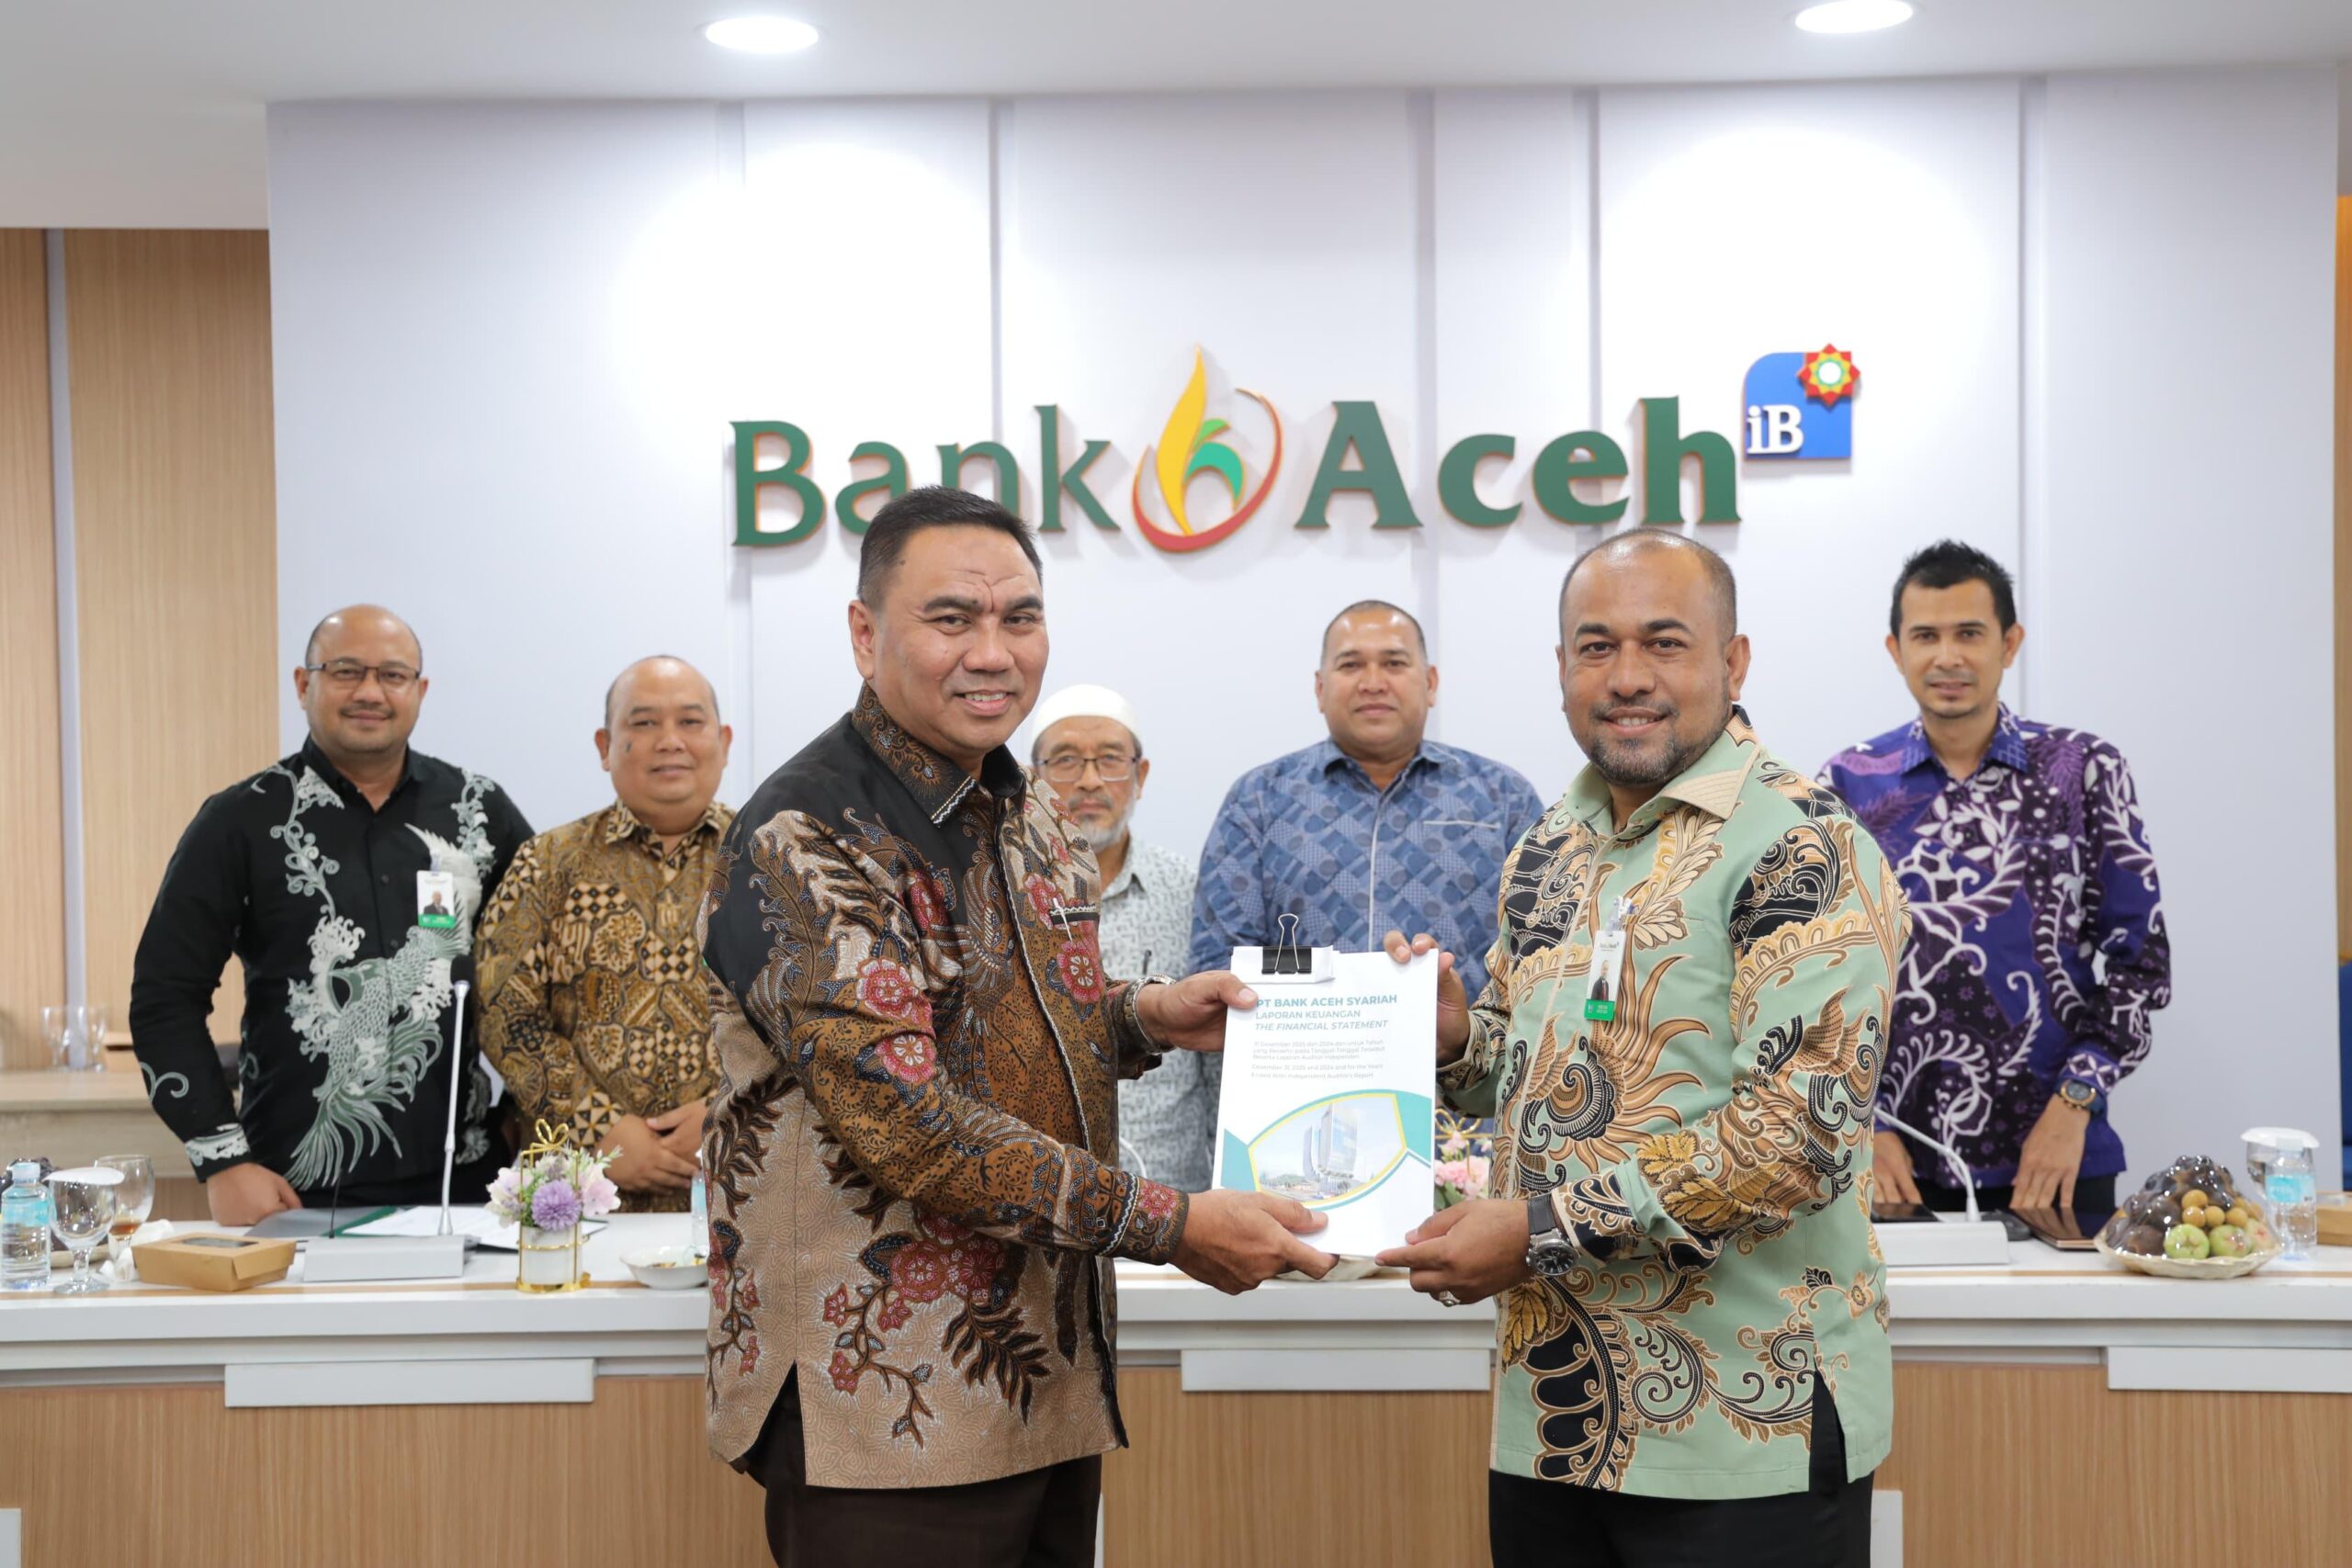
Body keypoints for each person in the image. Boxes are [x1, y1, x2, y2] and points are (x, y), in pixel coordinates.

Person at [696, 486, 1333, 1567]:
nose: (992, 654)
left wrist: (1144, 1016)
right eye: (951, 618)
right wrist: (1172, 1224)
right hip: (885, 1407)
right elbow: (908, 1122)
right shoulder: (808, 835)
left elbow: (994, 1017)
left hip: (1041, 1375)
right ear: (864, 634)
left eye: (1019, 617)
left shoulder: (1024, 808)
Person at [1375, 531, 1903, 1566]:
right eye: (1595, 646)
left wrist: (1537, 1229)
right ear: (1561, 667)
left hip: (1744, 1428)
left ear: (1733, 660)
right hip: (1558, 1418)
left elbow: (1795, 1142)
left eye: (1664, 642)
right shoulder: (1551, 846)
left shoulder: (1800, 844)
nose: (1626, 677)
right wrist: (1457, 1038)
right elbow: (1535, 1071)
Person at [129, 605, 533, 1225]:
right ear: (303, 684)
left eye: (392, 675)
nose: (370, 691)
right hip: (290, 1190)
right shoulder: (241, 820)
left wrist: (522, 1115)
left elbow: (547, 974)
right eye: (346, 671)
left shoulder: (479, 812)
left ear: (420, 691)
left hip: (468, 1184)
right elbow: (165, 996)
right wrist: (222, 1159)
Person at [1820, 540, 2169, 1217]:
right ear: (1896, 650)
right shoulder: (1847, 783)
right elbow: (1818, 977)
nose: (1947, 656)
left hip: (2058, 1155)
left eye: (1970, 633)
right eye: (1926, 636)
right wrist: (1863, 1124)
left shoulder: (2084, 770)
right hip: (1894, 1163)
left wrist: (2075, 1102)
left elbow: (2141, 966)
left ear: (2009, 644)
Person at [475, 656, 733, 1213]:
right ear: (605, 746)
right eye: (644, 722)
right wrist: (595, 1125)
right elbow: (505, 1014)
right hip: (576, 1191)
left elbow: (809, 1017)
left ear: (724, 741)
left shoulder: (770, 861)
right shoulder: (547, 863)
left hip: (740, 1189)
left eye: (690, 721)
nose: (670, 741)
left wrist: (729, 1111)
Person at [1190, 599, 1544, 997]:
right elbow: (1218, 964)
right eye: (1351, 665)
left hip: (1465, 1038)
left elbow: (1543, 959)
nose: (1373, 682)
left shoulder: (1503, 799)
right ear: (1320, 688)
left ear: (1430, 683)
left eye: (1394, 663)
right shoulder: (1258, 801)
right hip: (1298, 1036)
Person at [1029, 682, 1216, 1191]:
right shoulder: (999, 892)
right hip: (1045, 1198)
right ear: (1033, 778)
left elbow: (1219, 1058)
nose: (1090, 780)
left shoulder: (1190, 890)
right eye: (1066, 760)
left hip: (1177, 1202)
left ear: (1141, 775)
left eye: (1110, 760)